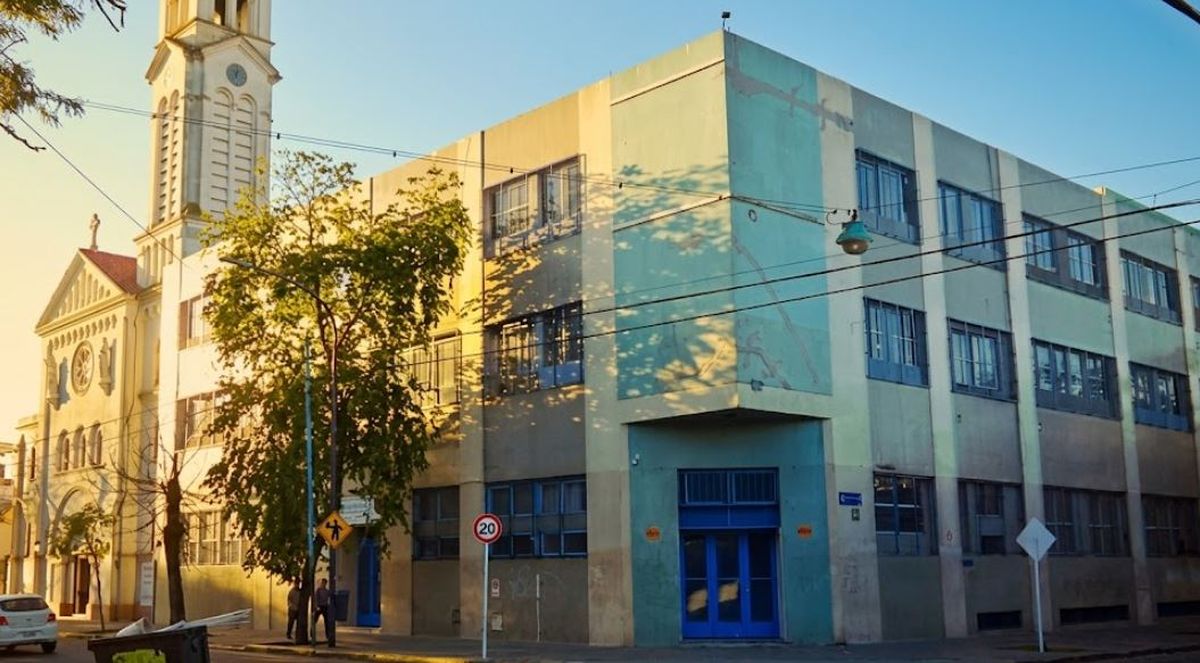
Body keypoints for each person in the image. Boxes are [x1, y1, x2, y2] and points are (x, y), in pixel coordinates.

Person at [314, 578, 332, 644]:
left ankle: (327, 635)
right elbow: (316, 599)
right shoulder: (318, 590)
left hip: (325, 606)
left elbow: (330, 596)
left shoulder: (327, 591)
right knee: (314, 620)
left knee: (326, 621)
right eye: (322, 583)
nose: (323, 584)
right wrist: (317, 606)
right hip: (319, 606)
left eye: (324, 583)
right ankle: (312, 632)